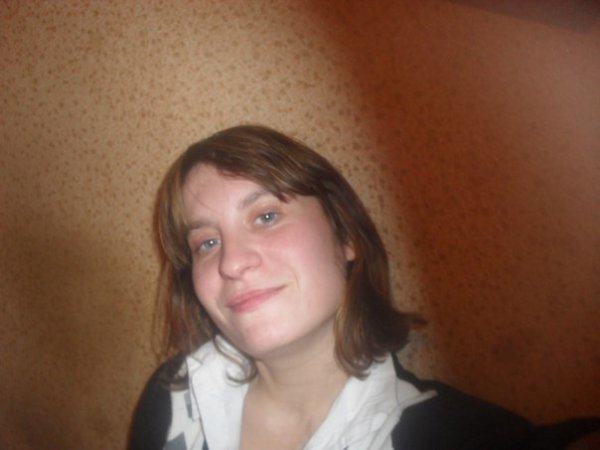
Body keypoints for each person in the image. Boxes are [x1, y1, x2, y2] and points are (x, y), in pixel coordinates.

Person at [130, 125, 599, 450]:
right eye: (207, 242)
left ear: (345, 236)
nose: (231, 263)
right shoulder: (173, 396)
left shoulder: (448, 434)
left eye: (267, 216)